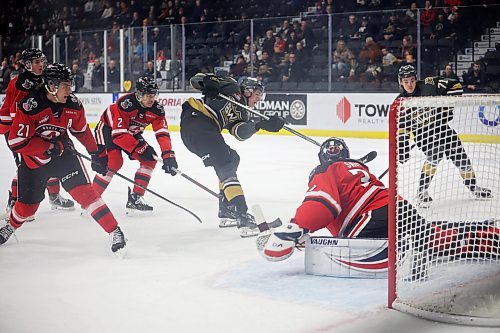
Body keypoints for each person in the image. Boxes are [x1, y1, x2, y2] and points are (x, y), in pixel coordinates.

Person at [257, 137, 499, 266]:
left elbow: (322, 205)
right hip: (395, 203)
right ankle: (485, 233)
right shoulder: (357, 169)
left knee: (350, 244)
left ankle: (406, 251)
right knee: (431, 237)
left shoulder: (324, 171)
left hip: (371, 216)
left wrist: (297, 227)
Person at [0, 63, 126, 253]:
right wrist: (48, 146)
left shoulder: (73, 104)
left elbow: (81, 131)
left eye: (70, 84)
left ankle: (115, 230)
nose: (70, 89)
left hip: (63, 155)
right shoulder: (30, 106)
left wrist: (96, 153)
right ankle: (11, 226)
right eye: (65, 85)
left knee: (86, 194)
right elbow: (17, 141)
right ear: (51, 86)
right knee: (27, 209)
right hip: (34, 159)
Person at [181, 74, 285, 237]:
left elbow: (240, 134)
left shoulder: (244, 113)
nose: (259, 98)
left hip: (202, 130)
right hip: (197, 120)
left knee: (232, 158)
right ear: (248, 90)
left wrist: (259, 125)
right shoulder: (232, 86)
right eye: (258, 93)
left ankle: (227, 210)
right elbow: (195, 79)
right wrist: (210, 82)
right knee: (225, 162)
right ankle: (242, 215)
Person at [395, 64, 492, 208]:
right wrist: (403, 148)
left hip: (443, 129)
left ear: (416, 79)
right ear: (400, 82)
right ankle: (421, 192)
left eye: (412, 80)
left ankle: (474, 188)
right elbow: (402, 129)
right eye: (405, 81)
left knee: (462, 159)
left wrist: (445, 108)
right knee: (435, 154)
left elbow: (456, 86)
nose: (409, 84)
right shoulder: (400, 102)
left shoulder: (430, 85)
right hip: (423, 135)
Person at [0, 48, 75, 218]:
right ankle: (14, 202)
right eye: (36, 62)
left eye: (42, 61)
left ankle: (54, 197)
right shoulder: (20, 82)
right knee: (25, 165)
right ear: (27, 65)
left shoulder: (43, 78)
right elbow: (16, 113)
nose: (41, 65)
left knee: (52, 156)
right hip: (17, 130)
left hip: (38, 128)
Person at [92, 76, 177, 213]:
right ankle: (91, 200)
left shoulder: (156, 110)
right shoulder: (126, 104)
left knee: (149, 159)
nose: (152, 99)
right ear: (139, 94)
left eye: (153, 95)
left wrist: (168, 154)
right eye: (148, 95)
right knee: (114, 162)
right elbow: (118, 135)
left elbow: (162, 133)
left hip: (130, 132)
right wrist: (141, 147)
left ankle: (135, 198)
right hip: (108, 129)